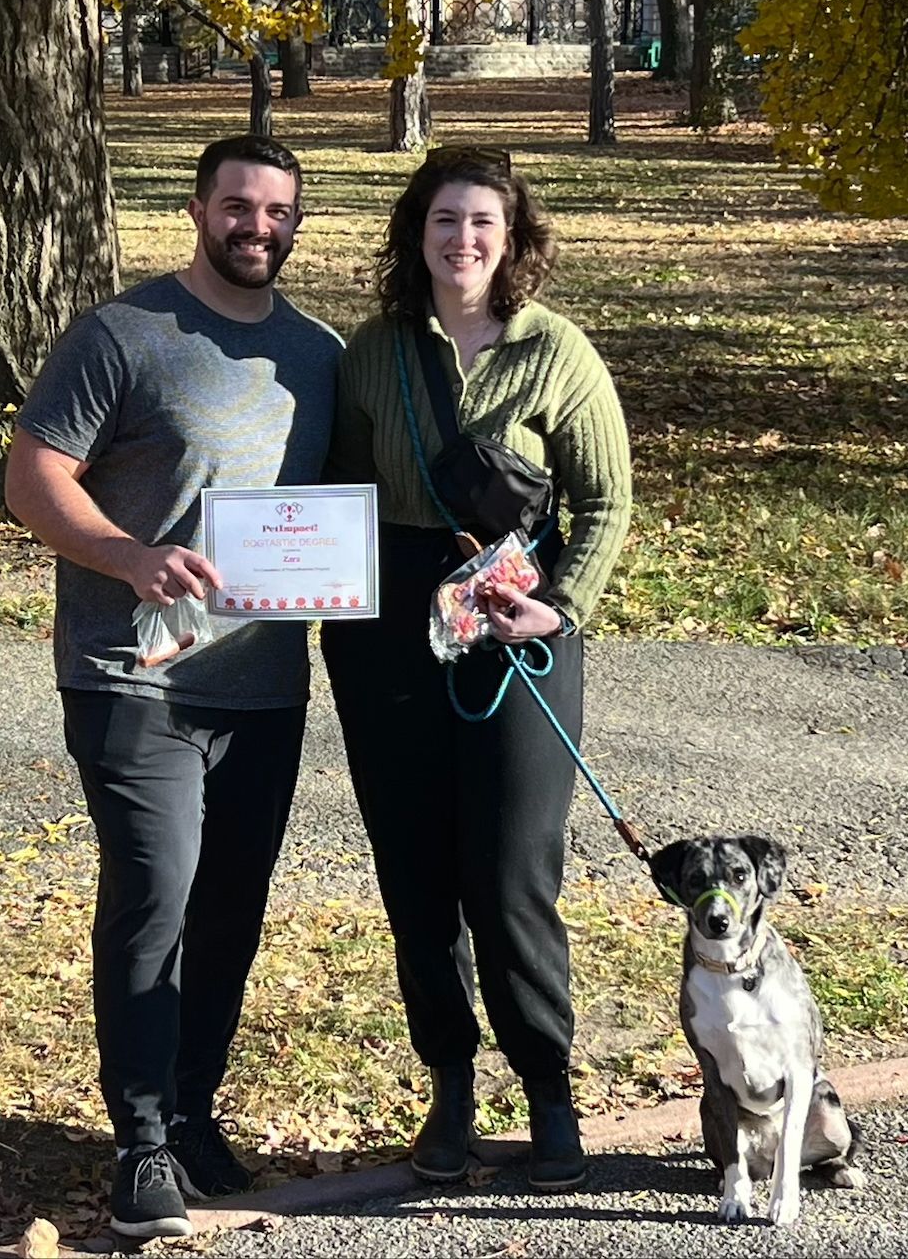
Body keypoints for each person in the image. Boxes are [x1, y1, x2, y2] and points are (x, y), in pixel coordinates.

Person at [5, 134, 341, 1242]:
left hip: (261, 683)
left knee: (229, 911)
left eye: (277, 211)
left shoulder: (320, 354)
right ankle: (141, 1143)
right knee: (156, 890)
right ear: (198, 210)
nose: (257, 226)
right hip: (129, 672)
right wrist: (127, 555)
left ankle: (195, 1113)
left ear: (296, 222)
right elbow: (33, 475)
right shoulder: (122, 334)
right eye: (238, 206)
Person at [323, 145, 632, 1192]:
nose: (463, 240)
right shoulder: (373, 351)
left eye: (483, 225)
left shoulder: (558, 353)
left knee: (508, 873)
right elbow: (335, 496)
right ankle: (449, 1088)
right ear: (417, 232)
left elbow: (606, 503)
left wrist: (560, 605)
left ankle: (547, 1088)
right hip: (390, 618)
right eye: (446, 220)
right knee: (415, 872)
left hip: (518, 619)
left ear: (513, 242)